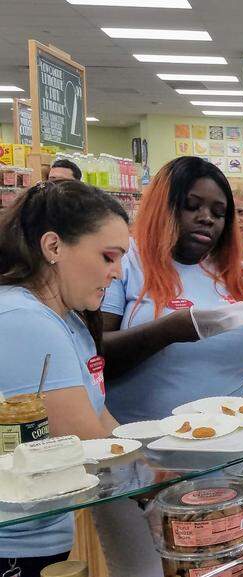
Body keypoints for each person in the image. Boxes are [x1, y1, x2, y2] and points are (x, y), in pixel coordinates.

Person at [99, 157, 243, 574]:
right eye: (193, 206)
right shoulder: (124, 267)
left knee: (231, 564)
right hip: (145, 466)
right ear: (164, 207)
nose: (206, 218)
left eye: (219, 212)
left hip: (235, 462)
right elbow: (96, 357)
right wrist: (170, 329)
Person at [0, 181, 129, 575]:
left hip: (42, 533)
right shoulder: (24, 320)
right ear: (53, 247)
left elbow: (101, 418)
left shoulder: (66, 319)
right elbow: (86, 444)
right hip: (15, 546)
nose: (118, 272)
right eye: (109, 256)